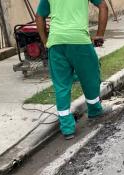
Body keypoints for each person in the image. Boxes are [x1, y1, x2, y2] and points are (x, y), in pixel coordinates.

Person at [36, 0, 109, 140]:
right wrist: (99, 34)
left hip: (56, 42)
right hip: (79, 40)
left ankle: (67, 128)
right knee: (90, 77)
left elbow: (39, 16)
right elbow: (103, 7)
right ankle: (95, 110)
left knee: (61, 85)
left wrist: (45, 41)